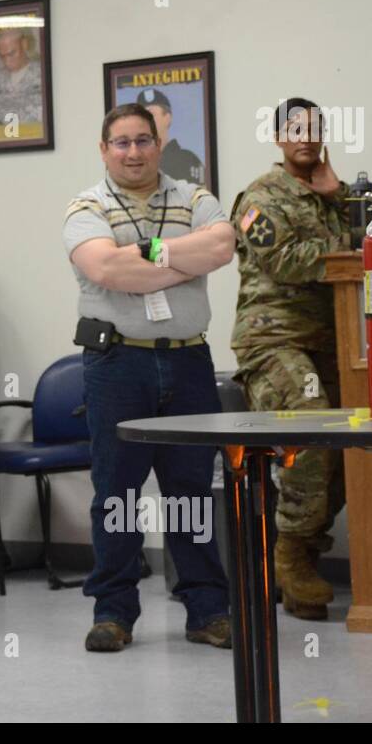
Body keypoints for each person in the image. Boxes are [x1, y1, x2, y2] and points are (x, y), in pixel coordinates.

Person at [62, 103, 234, 652]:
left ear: (159, 143)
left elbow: (223, 247)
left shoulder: (196, 198)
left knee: (191, 491)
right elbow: (107, 269)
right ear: (104, 148)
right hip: (118, 365)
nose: (132, 151)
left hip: (188, 361)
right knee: (117, 492)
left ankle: (207, 610)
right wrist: (185, 259)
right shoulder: (85, 207)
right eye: (121, 142)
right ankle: (113, 612)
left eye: (143, 140)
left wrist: (146, 253)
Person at [232, 99, 351, 620]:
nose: (304, 137)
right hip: (272, 340)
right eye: (293, 129)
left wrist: (340, 197)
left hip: (330, 340)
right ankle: (289, 551)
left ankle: (301, 555)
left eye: (314, 129)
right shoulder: (260, 196)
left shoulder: (331, 196)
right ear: (278, 138)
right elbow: (285, 260)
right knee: (311, 428)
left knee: (353, 447)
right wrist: (352, 248)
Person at [131, 88, 205, 185]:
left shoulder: (187, 161)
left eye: (151, 115)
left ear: (167, 118)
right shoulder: (133, 163)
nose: (146, 121)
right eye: (142, 116)